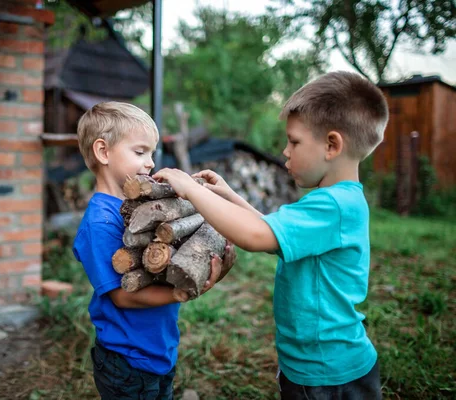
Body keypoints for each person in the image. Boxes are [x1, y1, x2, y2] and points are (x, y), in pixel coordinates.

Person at [153, 71, 388, 399]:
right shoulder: (338, 201)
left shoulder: (333, 205)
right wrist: (229, 196)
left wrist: (191, 189)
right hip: (318, 365)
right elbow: (273, 230)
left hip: (326, 375)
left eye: (294, 141)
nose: (285, 151)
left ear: (332, 145)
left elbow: (255, 236)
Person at [72, 101, 234, 400]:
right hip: (126, 360)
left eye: (151, 153)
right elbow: (122, 296)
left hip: (158, 348)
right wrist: (178, 294)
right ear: (103, 152)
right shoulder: (100, 222)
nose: (149, 163)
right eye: (139, 152)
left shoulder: (141, 210)